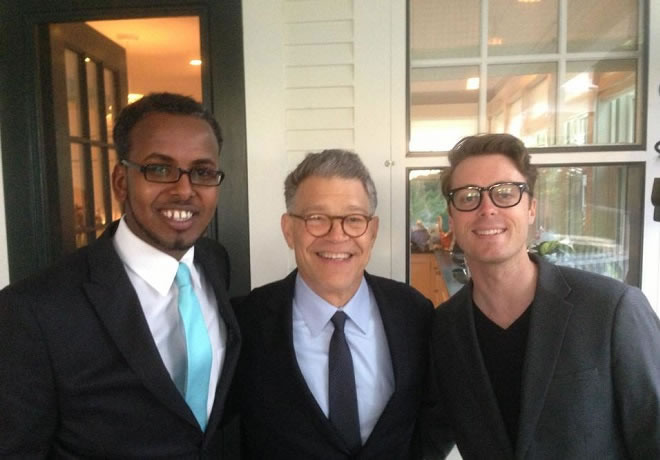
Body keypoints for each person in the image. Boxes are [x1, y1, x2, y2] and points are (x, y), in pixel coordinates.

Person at [0, 93, 241, 457]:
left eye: (203, 172)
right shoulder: (33, 310)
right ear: (120, 181)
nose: (184, 190)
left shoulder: (214, 261)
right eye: (159, 169)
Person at [422, 133, 660, 458]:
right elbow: (429, 436)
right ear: (452, 216)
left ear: (531, 208)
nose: (487, 208)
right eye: (468, 197)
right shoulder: (444, 329)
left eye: (505, 193)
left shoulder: (612, 309)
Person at [232, 149, 434, 459]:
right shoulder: (243, 322)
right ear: (288, 230)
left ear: (372, 231)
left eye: (354, 219)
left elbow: (432, 421)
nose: (337, 235)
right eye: (316, 218)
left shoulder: (414, 313)